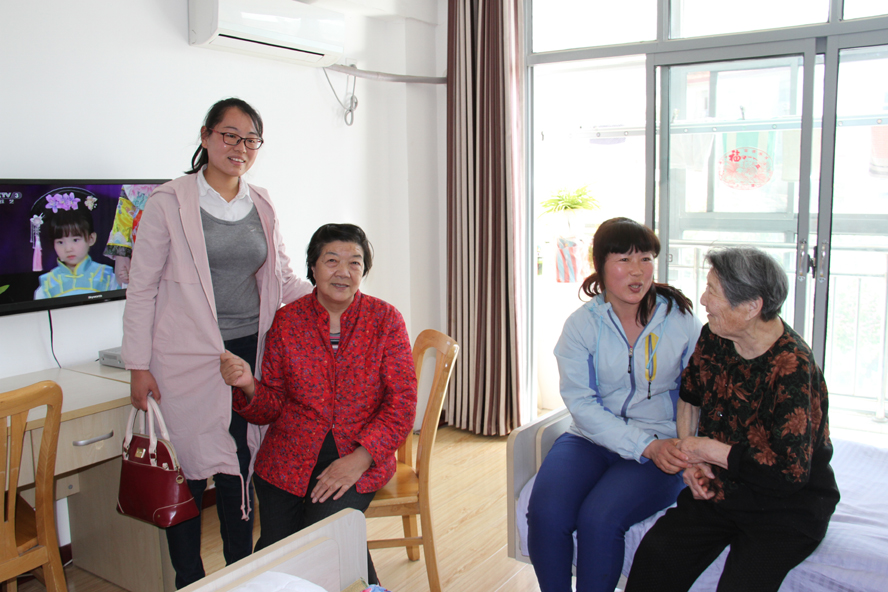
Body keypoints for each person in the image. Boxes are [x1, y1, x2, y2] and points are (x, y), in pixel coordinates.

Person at [122, 98, 313, 589]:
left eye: (251, 140)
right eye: (230, 135)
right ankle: (190, 580)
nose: (239, 148)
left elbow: (282, 277)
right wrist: (138, 365)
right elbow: (141, 287)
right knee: (185, 468)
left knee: (239, 464)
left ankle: (239, 574)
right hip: (181, 358)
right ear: (206, 136)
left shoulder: (261, 202)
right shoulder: (168, 202)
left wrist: (337, 295)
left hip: (247, 352)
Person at [625, 247, 840, 592]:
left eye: (713, 291)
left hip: (784, 508)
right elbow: (690, 396)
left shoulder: (793, 366)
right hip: (720, 489)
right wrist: (691, 460)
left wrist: (708, 449)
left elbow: (789, 473)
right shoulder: (715, 336)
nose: (703, 300)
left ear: (751, 307)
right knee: (656, 556)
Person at [220, 223, 417, 586]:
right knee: (278, 553)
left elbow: (401, 405)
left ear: (364, 270)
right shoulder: (287, 321)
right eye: (331, 260)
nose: (343, 271)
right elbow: (272, 406)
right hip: (287, 458)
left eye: (354, 262)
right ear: (313, 267)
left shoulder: (385, 320)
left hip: (359, 453)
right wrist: (248, 385)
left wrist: (360, 459)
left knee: (325, 536)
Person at [526, 217, 703, 592]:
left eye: (646, 259)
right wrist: (642, 446)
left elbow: (700, 393)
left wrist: (684, 449)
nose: (637, 271)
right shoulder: (582, 325)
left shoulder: (680, 319)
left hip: (662, 443)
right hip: (590, 439)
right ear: (601, 265)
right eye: (624, 259)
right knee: (545, 514)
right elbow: (582, 404)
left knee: (599, 519)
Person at [34, 190, 119, 299]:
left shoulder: (107, 276)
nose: (68, 249)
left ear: (91, 239)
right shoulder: (47, 285)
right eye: (60, 242)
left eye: (75, 240)